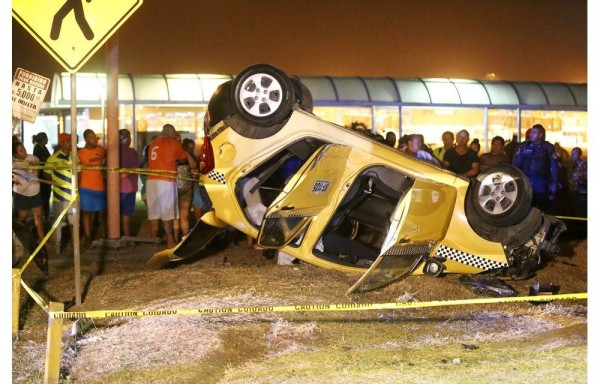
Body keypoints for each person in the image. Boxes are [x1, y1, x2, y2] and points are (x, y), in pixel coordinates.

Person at [146, 124, 197, 248]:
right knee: (168, 212)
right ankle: (170, 240)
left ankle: (153, 241)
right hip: (166, 180)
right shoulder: (173, 143)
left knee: (153, 212)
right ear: (171, 132)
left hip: (151, 180)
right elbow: (183, 158)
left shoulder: (153, 143)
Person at [513, 124, 561, 210]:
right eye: (531, 132)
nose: (531, 134)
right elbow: (516, 164)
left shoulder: (548, 147)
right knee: (525, 209)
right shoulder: (524, 146)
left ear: (541, 135)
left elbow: (554, 166)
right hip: (526, 183)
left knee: (542, 209)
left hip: (542, 183)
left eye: (534, 132)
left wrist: (555, 182)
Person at [13, 142, 48, 248]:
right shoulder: (12, 163)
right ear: (15, 154)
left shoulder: (33, 158)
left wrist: (33, 167)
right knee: (22, 217)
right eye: (20, 150)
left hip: (35, 192)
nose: (24, 151)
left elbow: (37, 170)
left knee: (38, 215)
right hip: (22, 194)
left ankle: (43, 241)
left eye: (23, 148)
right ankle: (17, 240)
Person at [45, 133, 76, 247]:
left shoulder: (75, 156)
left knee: (74, 222)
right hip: (60, 197)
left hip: (74, 196)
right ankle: (57, 245)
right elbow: (46, 174)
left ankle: (74, 244)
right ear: (62, 143)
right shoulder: (53, 158)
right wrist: (56, 182)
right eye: (69, 141)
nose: (72, 143)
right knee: (58, 222)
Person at [78, 129, 107, 247]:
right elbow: (78, 172)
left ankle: (104, 236)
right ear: (85, 139)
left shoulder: (101, 150)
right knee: (86, 213)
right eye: (91, 137)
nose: (94, 139)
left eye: (95, 136)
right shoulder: (80, 153)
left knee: (102, 213)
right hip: (86, 186)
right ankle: (88, 236)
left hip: (99, 186)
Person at [118, 129, 140, 237]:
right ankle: (126, 235)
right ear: (127, 139)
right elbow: (134, 169)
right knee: (126, 214)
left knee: (115, 213)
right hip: (128, 188)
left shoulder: (111, 152)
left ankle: (115, 234)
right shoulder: (132, 152)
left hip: (114, 188)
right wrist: (121, 176)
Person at [174, 137, 196, 241]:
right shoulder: (172, 154)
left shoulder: (186, 153)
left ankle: (185, 237)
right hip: (173, 187)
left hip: (187, 187)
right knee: (175, 213)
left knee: (185, 214)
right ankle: (175, 238)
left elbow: (194, 165)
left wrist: (186, 153)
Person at [32, 132, 52, 223]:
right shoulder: (37, 149)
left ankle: (46, 216)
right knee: (43, 198)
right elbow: (42, 162)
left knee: (46, 198)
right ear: (43, 140)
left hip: (46, 176)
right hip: (42, 177)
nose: (47, 140)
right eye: (46, 138)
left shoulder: (44, 148)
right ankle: (42, 217)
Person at [566, 147, 586, 231]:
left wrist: (581, 178)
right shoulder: (572, 165)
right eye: (572, 153)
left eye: (574, 154)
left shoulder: (584, 165)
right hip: (572, 190)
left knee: (580, 210)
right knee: (574, 209)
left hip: (581, 191)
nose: (572, 155)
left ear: (580, 154)